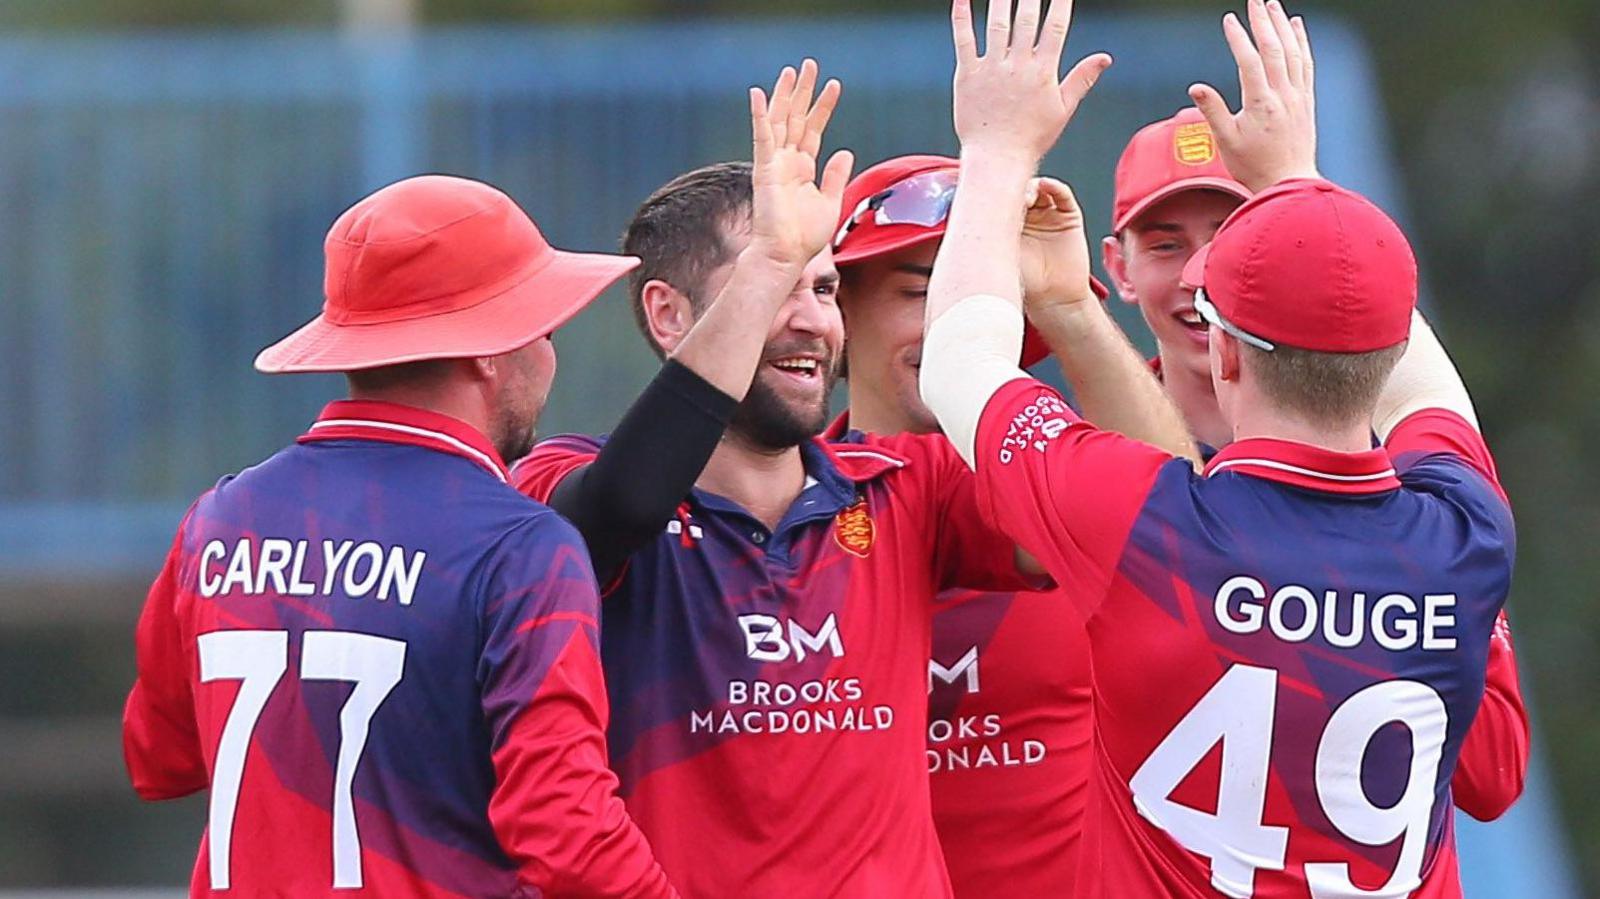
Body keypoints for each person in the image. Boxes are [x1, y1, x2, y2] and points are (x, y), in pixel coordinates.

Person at [511, 61, 1194, 896]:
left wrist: (1068, 305)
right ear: (666, 314)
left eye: (823, 286)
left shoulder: (904, 487)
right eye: (770, 284)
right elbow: (616, 509)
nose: (808, 315)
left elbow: (1152, 517)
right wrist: (773, 259)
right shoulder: (565, 483)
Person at [920, 1, 1515, 896]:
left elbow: (960, 363)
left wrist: (997, 151)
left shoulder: (1140, 515)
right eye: (1168, 239)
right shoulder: (1465, 525)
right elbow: (1428, 395)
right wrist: (1301, 179)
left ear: (1227, 347)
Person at [122, 175, 676, 898]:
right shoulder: (522, 547)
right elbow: (566, 828)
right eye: (543, 326)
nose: (550, 354)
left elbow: (159, 756)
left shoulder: (219, 520)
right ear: (489, 348)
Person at [1104, 109, 1529, 820]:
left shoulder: (1407, 501)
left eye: (1231, 238)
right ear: (1117, 267)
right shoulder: (1087, 470)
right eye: (1165, 243)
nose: (1198, 274)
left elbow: (1492, 770)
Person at [830, 156, 1112, 896]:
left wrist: (1073, 311)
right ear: (837, 304)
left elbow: (1180, 542)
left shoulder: (1081, 490)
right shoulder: (772, 516)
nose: (954, 326)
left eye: (982, 299)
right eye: (922, 291)